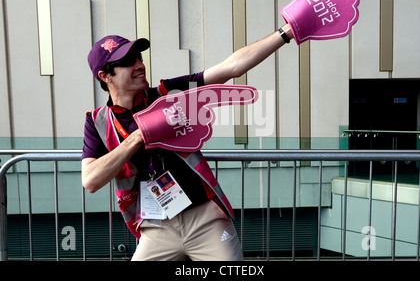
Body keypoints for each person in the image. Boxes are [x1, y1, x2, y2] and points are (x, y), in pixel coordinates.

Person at [81, 24, 293, 261]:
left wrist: (286, 33)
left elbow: (230, 68)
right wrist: (139, 136)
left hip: (205, 220)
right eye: (128, 61)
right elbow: (90, 180)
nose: (139, 65)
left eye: (138, 57)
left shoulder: (166, 95)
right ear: (105, 75)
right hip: (155, 227)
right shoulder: (97, 122)